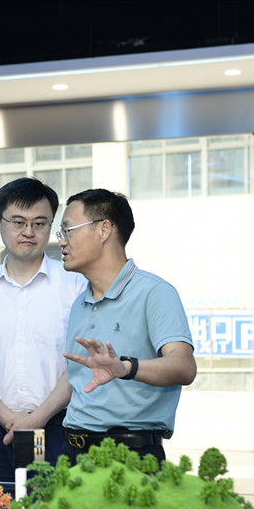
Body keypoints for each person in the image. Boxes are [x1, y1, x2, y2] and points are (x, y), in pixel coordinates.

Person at [0, 178, 85, 487]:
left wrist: (36, 419)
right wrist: (6, 417)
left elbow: (80, 363)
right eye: (18, 222)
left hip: (55, 429)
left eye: (39, 223)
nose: (29, 232)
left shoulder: (74, 285)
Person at [59, 188, 196, 463]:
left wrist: (125, 368)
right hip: (72, 451)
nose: (61, 241)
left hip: (129, 457)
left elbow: (184, 366)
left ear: (104, 229)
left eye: (68, 230)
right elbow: (76, 379)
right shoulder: (79, 303)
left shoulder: (155, 293)